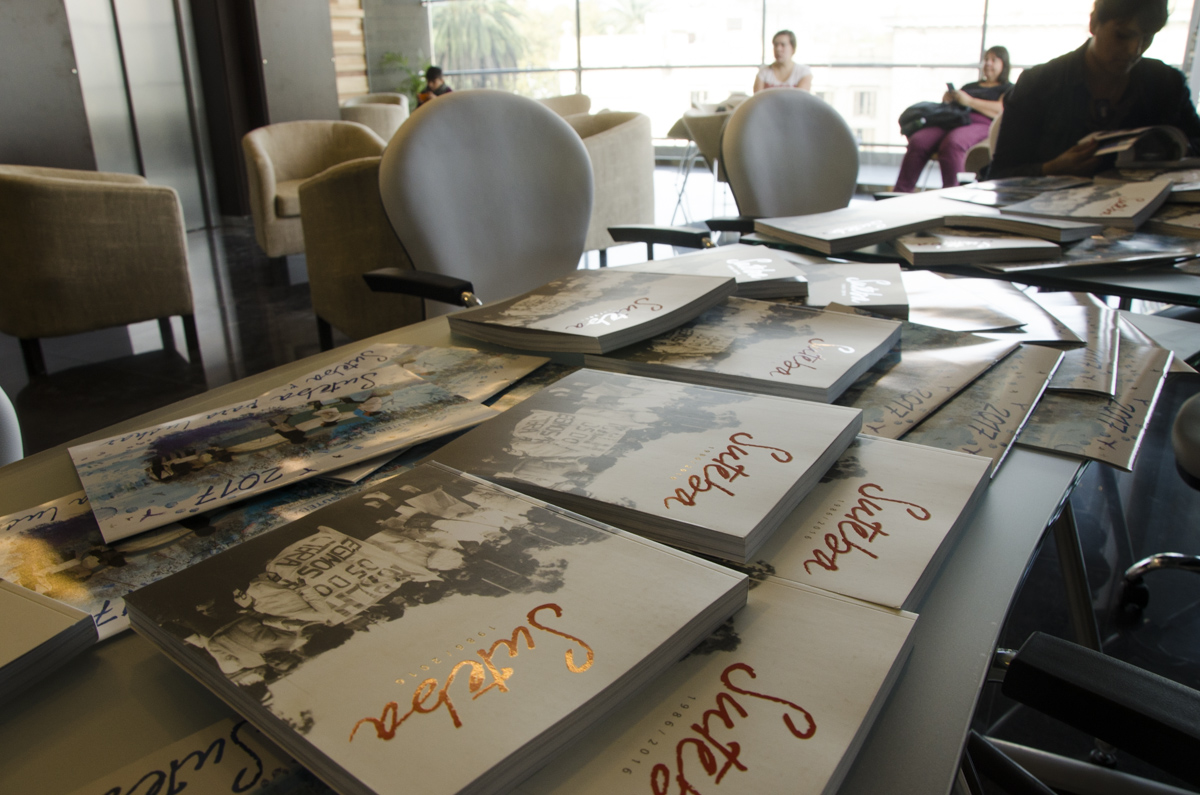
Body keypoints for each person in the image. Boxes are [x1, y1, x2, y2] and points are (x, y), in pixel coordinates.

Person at [990, 0, 1200, 178]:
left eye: (1147, 38)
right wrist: (1050, 169)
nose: (1134, 50)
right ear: (1094, 23)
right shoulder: (1039, 83)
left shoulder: (1166, 83)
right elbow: (999, 174)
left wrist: (1173, 150)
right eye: (1122, 35)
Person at [893, 46, 1012, 192]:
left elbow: (1000, 110)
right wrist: (950, 98)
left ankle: (953, 193)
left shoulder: (1007, 88)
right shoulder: (970, 86)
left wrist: (969, 101)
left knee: (953, 143)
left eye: (994, 60)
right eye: (986, 59)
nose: (988, 63)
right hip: (953, 119)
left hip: (980, 122)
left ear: (1004, 64)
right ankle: (900, 192)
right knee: (919, 141)